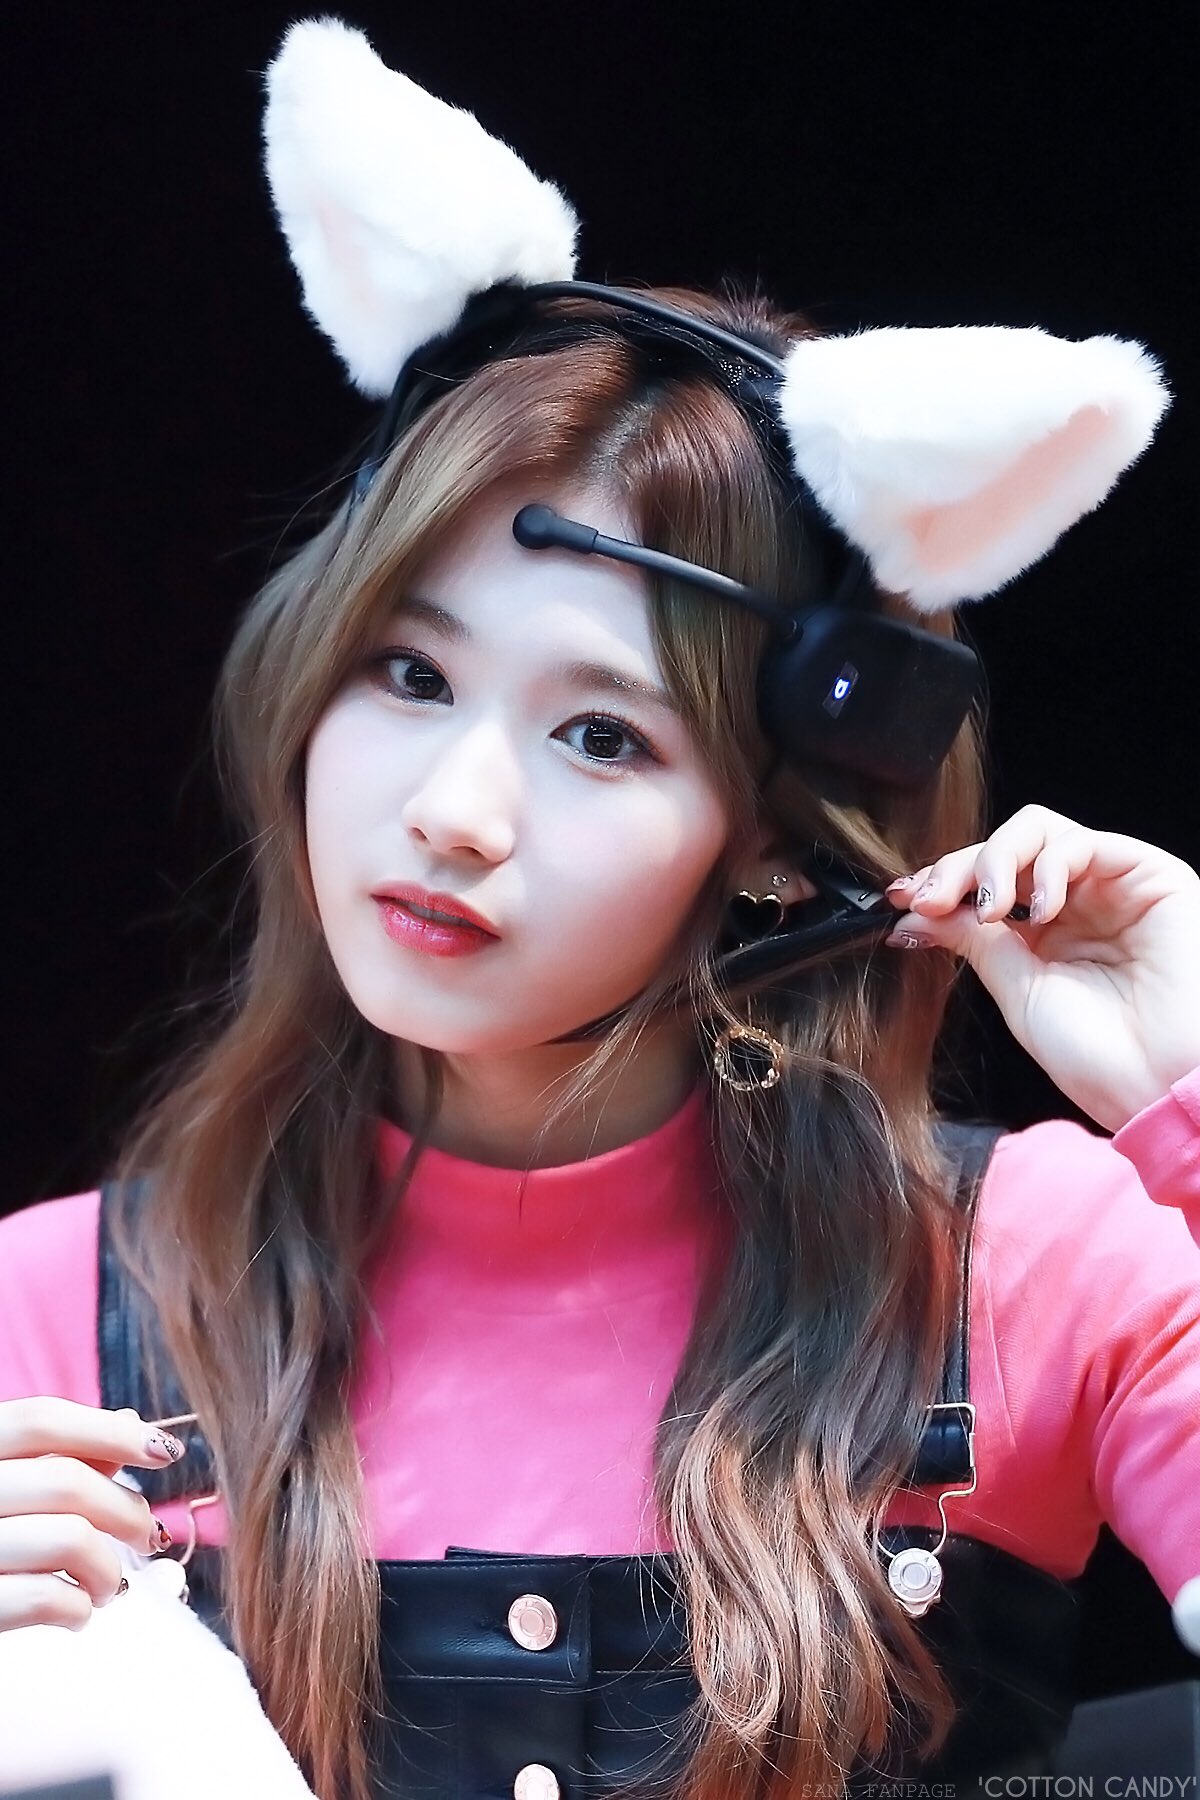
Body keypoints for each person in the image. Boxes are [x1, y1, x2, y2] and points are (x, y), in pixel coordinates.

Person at [1, 17, 1198, 1800]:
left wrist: (1189, 1099)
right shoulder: (55, 1313)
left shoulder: (1031, 1269)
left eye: (599, 735)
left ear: (780, 840)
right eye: (408, 673)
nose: (453, 809)